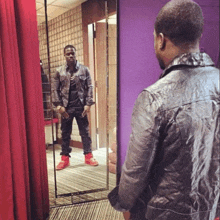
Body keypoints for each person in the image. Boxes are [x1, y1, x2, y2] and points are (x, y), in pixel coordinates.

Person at [108, 0, 220, 220]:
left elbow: (135, 172)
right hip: (212, 208)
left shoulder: (153, 98)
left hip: (163, 213)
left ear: (161, 40)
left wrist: (122, 202)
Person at [52, 45, 98, 170]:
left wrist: (88, 104)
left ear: (75, 54)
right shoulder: (59, 71)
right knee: (65, 133)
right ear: (64, 55)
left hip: (81, 107)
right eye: (68, 54)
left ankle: (88, 155)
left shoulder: (84, 70)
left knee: (85, 132)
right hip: (66, 108)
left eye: (72, 53)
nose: (70, 56)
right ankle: (65, 159)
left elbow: (90, 87)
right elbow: (54, 90)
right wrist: (59, 106)